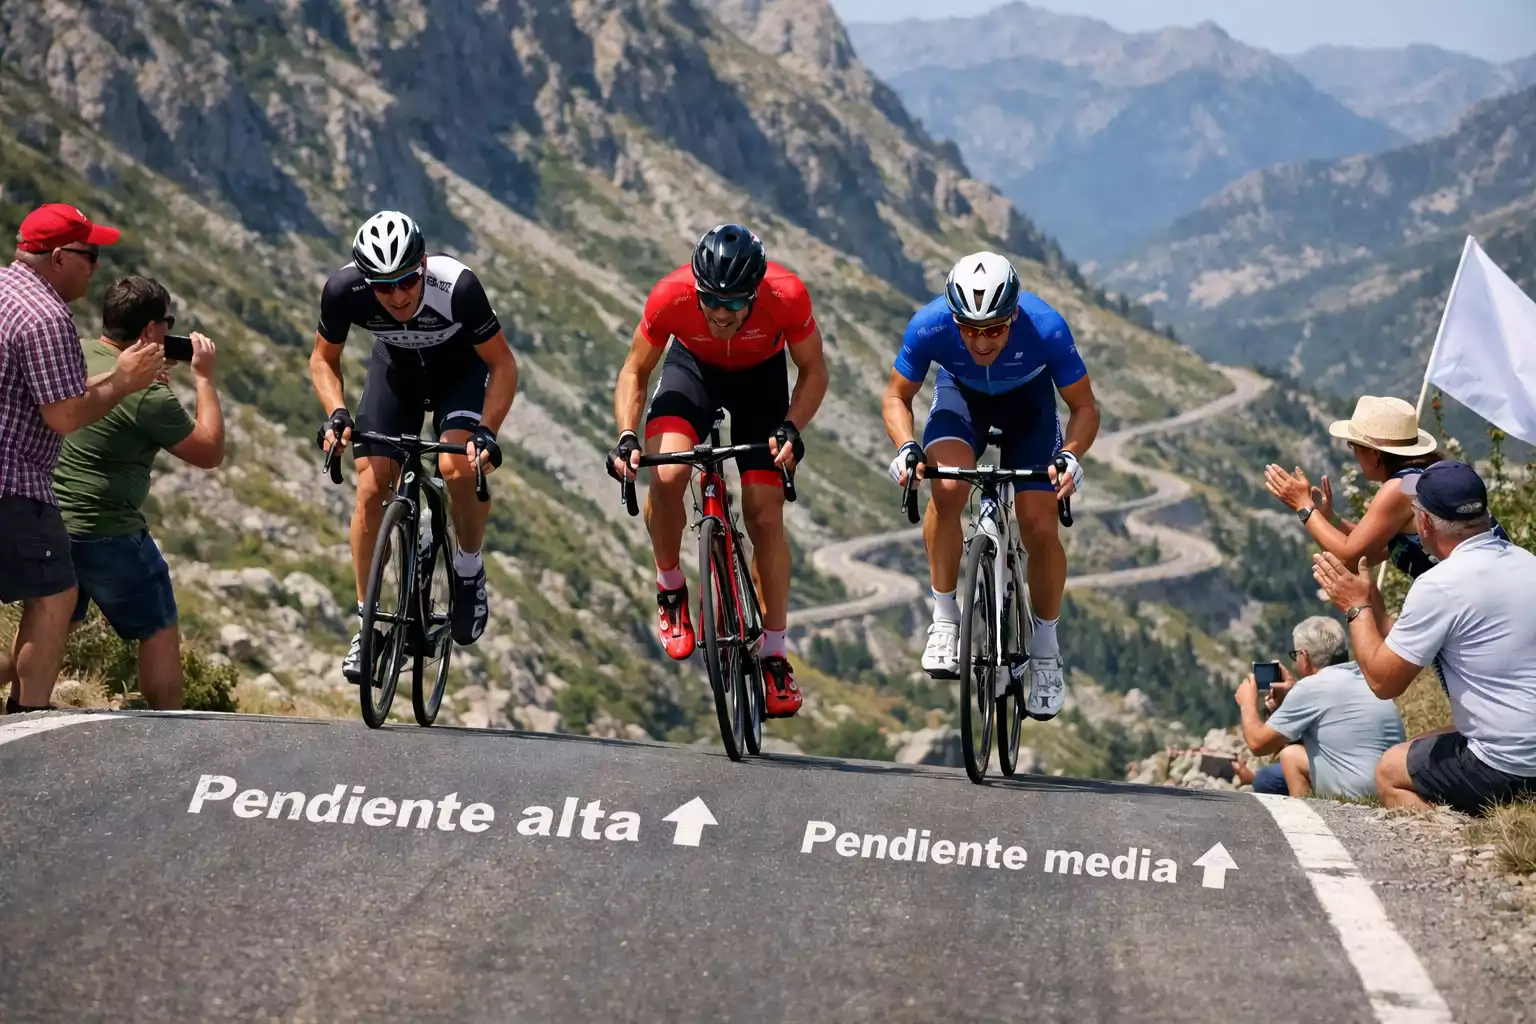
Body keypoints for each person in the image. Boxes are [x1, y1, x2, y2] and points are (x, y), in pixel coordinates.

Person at [606, 224, 829, 718]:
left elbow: (814, 371)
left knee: (765, 516)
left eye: (735, 303)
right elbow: (635, 371)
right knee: (666, 478)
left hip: (761, 382)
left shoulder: (786, 295)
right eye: (712, 301)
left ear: (756, 293)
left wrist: (792, 426)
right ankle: (670, 588)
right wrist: (627, 435)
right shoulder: (672, 295)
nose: (722, 313)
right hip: (693, 372)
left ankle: (773, 654)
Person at [881, 251, 1100, 720]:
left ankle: (1044, 647)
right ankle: (945, 616)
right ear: (953, 318)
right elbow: (897, 396)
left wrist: (1070, 456)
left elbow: (1085, 408)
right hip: (962, 402)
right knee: (946, 488)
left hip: (1030, 410)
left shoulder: (1047, 328)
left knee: (1040, 525)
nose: (981, 341)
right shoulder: (929, 324)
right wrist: (905, 446)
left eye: (995, 329)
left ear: (1014, 315)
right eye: (970, 329)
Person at [310, 211, 519, 682]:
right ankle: (368, 625)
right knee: (370, 488)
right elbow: (323, 359)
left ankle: (467, 565)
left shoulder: (458, 287)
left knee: (456, 467)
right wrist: (336, 412)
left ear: (423, 265)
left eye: (407, 280)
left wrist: (488, 429)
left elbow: (503, 365)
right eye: (384, 287)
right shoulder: (344, 291)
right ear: (367, 282)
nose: (399, 295)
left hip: (459, 375)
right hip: (396, 373)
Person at [1, 204, 163, 714]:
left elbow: (53, 391)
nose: (95, 267)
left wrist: (117, 378)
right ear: (57, 258)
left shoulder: (7, 290)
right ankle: (27, 717)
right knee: (56, 595)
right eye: (88, 255)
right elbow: (66, 415)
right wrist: (124, 382)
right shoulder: (47, 316)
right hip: (16, 483)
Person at [1313, 460, 1536, 815]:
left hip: (1510, 767)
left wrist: (1356, 608)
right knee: (1420, 743)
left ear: (1426, 522)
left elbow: (1384, 682)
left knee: (1389, 770)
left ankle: (1459, 840)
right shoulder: (1526, 561)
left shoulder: (1439, 583)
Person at [52, 277, 225, 710]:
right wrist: (203, 378)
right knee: (158, 623)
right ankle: (168, 729)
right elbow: (209, 451)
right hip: (108, 530)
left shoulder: (79, 353)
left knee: (50, 624)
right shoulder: (148, 395)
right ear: (150, 331)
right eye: (166, 323)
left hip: (53, 520)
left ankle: (18, 698)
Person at [1265, 394, 1507, 580]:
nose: (1354, 455)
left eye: (1354, 446)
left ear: (1374, 454)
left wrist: (1304, 507)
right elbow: (1370, 549)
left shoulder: (1399, 488)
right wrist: (1330, 518)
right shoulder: (1422, 477)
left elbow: (1349, 556)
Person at [1233, 616, 1405, 799]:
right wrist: (1291, 697)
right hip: (1391, 786)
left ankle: (1307, 817)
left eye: (1296, 654)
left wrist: (1247, 703)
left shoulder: (1311, 688)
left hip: (1357, 793)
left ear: (1304, 657)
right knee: (1287, 759)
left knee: (1286, 758)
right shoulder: (1368, 679)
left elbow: (1257, 744)